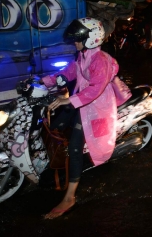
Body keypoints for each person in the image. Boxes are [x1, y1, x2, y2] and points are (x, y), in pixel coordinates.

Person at [41, 17, 130, 219]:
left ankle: (70, 197)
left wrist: (68, 100)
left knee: (74, 146)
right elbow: (70, 71)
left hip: (96, 106)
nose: (75, 42)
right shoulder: (83, 55)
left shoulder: (102, 60)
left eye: (77, 39)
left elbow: (96, 89)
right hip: (81, 100)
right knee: (56, 124)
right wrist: (44, 81)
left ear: (90, 39)